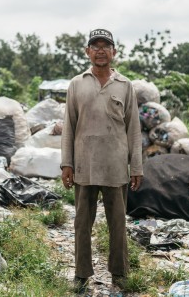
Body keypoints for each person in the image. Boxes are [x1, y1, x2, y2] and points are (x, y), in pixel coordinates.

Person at [60, 28, 143, 294]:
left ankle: (119, 274)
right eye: (95, 46)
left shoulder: (125, 85)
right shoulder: (77, 84)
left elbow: (134, 129)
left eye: (105, 46)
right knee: (82, 223)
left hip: (116, 166)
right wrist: (67, 164)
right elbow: (68, 127)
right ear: (87, 52)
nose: (100, 51)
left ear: (114, 52)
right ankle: (82, 274)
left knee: (118, 224)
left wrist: (136, 166)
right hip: (84, 165)